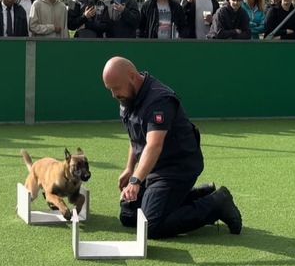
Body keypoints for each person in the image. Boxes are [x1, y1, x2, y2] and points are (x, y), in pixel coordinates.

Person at [101, 56, 242, 239]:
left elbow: (154, 145)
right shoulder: (128, 97)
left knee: (150, 225)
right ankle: (200, 195)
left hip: (177, 168)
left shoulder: (159, 100)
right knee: (128, 214)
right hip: (155, 167)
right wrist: (129, 168)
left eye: (116, 88)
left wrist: (136, 180)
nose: (114, 94)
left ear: (131, 76)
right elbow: (136, 137)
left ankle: (216, 204)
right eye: (110, 90)